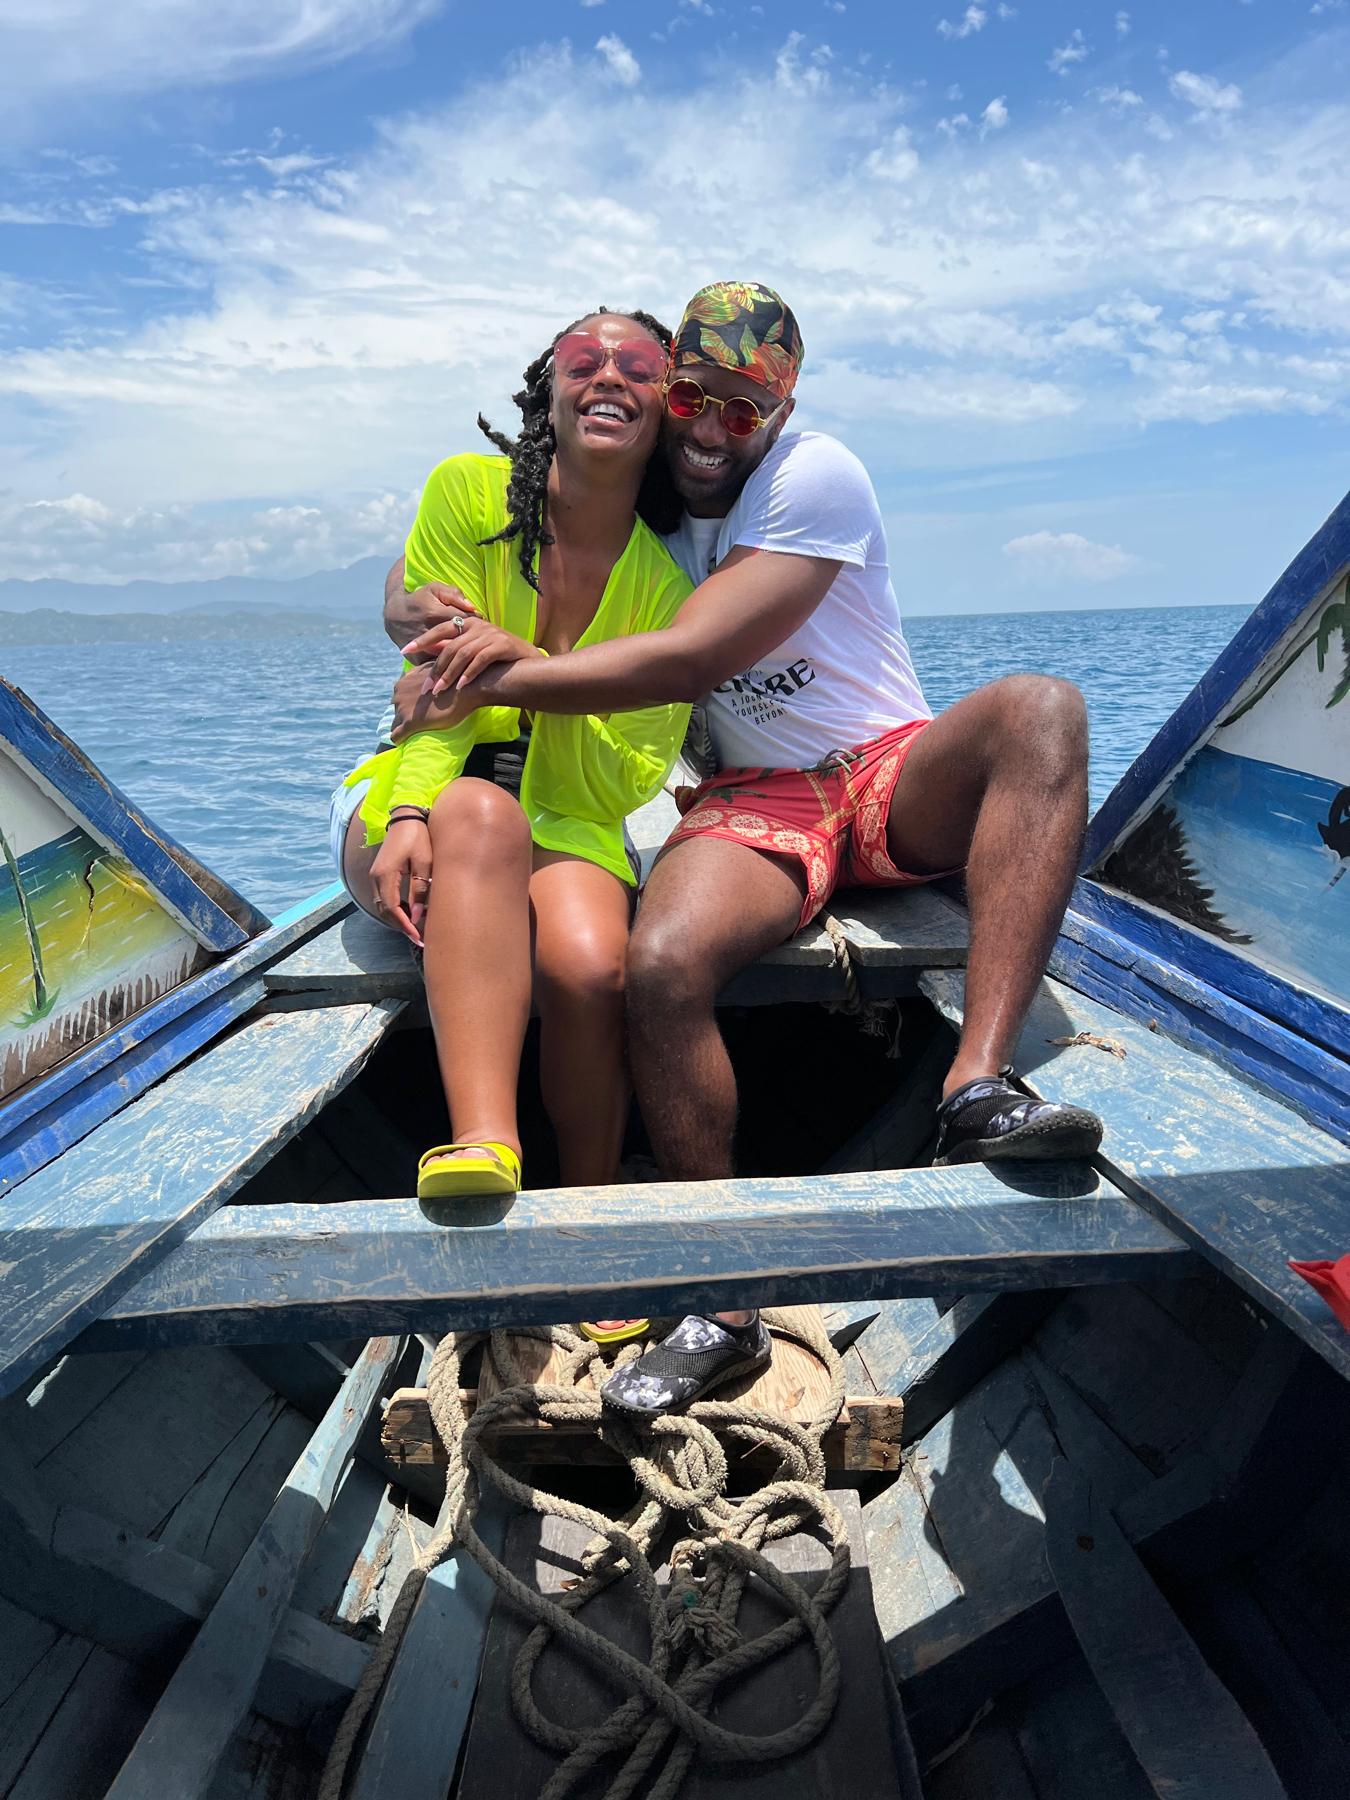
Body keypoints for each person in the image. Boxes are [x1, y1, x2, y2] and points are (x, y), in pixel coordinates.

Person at [390, 280, 1103, 1412]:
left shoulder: (815, 474)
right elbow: (499, 535)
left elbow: (682, 662)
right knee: (662, 966)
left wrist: (487, 667)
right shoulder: (653, 496)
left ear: (782, 410)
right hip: (755, 798)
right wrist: (421, 650)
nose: (717, 430)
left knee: (1041, 709)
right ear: (670, 391)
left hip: (883, 771)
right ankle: (720, 1303)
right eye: (698, 399)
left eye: (746, 410)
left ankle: (973, 1086)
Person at [329, 307, 692, 1222]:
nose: (608, 374)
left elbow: (628, 777)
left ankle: (592, 1207)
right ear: (550, 389)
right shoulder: (469, 494)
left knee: (588, 968)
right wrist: (411, 812)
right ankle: (489, 1146)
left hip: (571, 812)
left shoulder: (667, 587)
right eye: (583, 358)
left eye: (639, 365)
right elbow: (435, 698)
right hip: (426, 779)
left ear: (666, 405)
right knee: (483, 816)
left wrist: (521, 672)